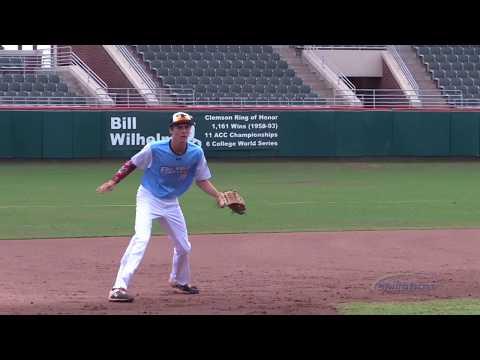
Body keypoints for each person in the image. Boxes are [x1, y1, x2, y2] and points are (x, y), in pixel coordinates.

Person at [96, 111, 226, 302]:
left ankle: (179, 280)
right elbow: (133, 163)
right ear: (171, 130)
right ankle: (118, 288)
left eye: (186, 127)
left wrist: (218, 195)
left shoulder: (196, 153)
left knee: (184, 246)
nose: (183, 130)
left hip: (171, 202)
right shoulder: (155, 148)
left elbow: (202, 179)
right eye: (179, 127)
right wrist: (114, 181)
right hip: (149, 197)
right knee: (141, 238)